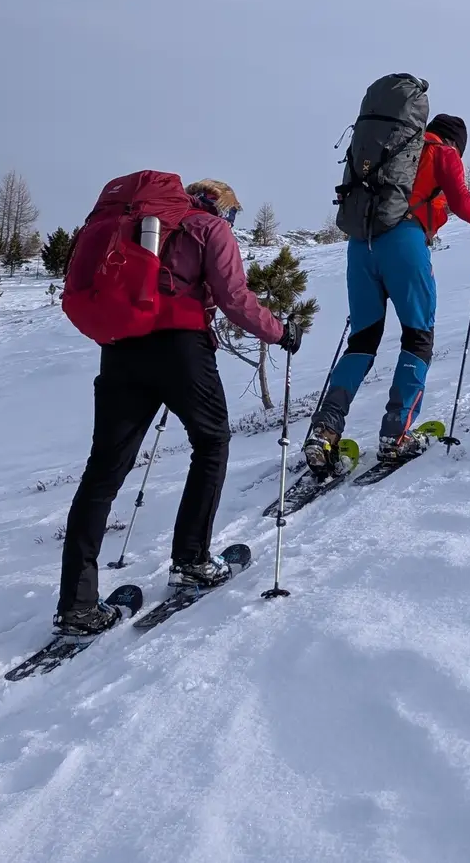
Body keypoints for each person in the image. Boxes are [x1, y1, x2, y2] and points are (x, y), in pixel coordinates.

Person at [56, 179, 298, 635]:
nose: (232, 221)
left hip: (121, 349)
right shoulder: (209, 228)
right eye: (233, 213)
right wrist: (280, 332)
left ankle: (77, 604)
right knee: (211, 444)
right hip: (182, 348)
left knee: (103, 472)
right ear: (220, 206)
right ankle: (191, 561)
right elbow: (234, 298)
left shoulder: (141, 224)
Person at [304, 114, 470, 473]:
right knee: (418, 336)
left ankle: (324, 431)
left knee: (361, 341)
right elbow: (460, 201)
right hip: (405, 242)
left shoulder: (392, 147)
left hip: (361, 246)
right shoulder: (443, 153)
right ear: (457, 142)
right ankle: (396, 434)